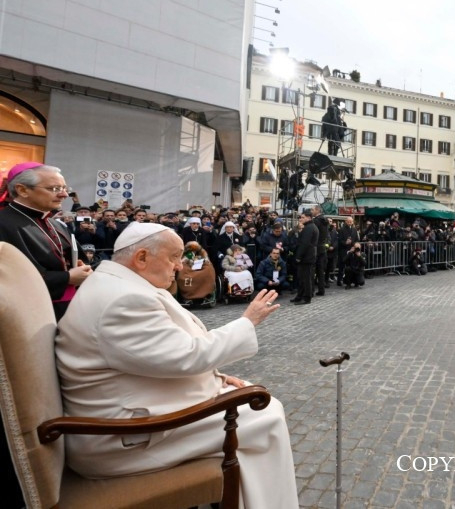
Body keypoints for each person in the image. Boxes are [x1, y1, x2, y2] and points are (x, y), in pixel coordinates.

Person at [55, 223, 298, 508]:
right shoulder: (123, 300)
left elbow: (157, 355)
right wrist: (247, 321)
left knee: (251, 401)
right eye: (173, 257)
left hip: (133, 411)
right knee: (266, 415)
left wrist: (216, 378)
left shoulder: (117, 284)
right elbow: (187, 356)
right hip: (123, 438)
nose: (180, 266)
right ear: (141, 257)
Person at [0, 163, 92, 320]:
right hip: (26, 314)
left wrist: (83, 269)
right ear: (23, 190)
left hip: (67, 308)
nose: (64, 195)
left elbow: (75, 259)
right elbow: (9, 279)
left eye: (65, 189)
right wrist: (66, 278)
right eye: (55, 189)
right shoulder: (3, 223)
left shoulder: (56, 224)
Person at [291, 210, 318, 305]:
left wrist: (299, 256)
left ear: (309, 218)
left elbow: (305, 244)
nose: (300, 219)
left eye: (303, 217)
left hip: (307, 257)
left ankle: (307, 297)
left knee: (306, 278)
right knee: (302, 278)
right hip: (307, 256)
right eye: (300, 217)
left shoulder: (309, 228)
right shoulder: (309, 227)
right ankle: (300, 296)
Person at [311, 205, 329, 296]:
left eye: (312, 209)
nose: (311, 211)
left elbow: (313, 234)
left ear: (317, 210)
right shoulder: (325, 220)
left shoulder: (316, 221)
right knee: (320, 271)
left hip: (316, 248)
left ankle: (311, 290)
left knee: (312, 270)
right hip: (322, 248)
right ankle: (321, 290)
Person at [337, 216, 359, 286]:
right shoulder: (341, 229)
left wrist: (355, 244)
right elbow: (339, 240)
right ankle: (339, 280)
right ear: (345, 222)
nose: (350, 222)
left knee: (351, 265)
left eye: (351, 221)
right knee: (342, 266)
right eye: (348, 221)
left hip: (352, 249)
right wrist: (345, 242)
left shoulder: (354, 229)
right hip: (344, 250)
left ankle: (350, 280)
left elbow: (356, 239)